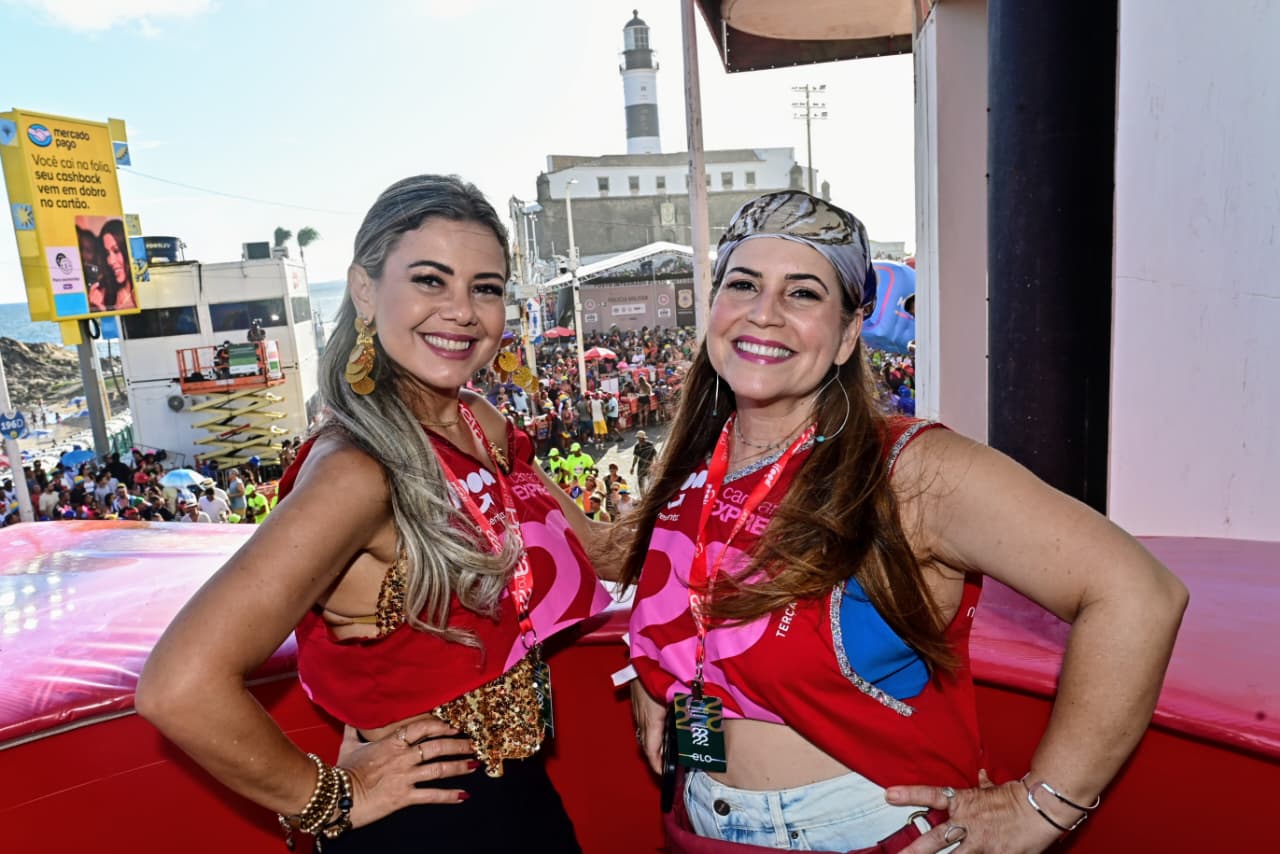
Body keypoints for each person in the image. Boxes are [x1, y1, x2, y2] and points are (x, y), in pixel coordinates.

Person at [620, 190, 1189, 852]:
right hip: (702, 820)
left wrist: (1042, 807)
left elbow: (1139, 593)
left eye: (802, 293)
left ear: (847, 335)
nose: (764, 312)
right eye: (743, 284)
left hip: (863, 830)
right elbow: (664, 573)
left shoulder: (911, 468)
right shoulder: (703, 460)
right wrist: (658, 667)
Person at [138, 174, 618, 853]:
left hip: (521, 796)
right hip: (426, 825)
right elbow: (178, 685)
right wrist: (335, 798)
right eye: (429, 280)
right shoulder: (355, 472)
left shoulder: (476, 422)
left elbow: (596, 546)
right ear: (364, 291)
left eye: (485, 288)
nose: (462, 311)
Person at [88, 219, 136, 312]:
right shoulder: (105, 294)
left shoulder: (141, 291)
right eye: (107, 254)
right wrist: (98, 308)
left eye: (116, 251)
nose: (110, 261)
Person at [630, 430, 656, 495]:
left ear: (643, 438)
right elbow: (636, 457)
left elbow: (655, 454)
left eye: (640, 438)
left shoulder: (650, 445)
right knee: (640, 483)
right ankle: (643, 496)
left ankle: (653, 494)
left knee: (651, 481)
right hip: (641, 466)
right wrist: (632, 467)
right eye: (638, 438)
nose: (639, 439)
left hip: (649, 465)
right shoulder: (637, 446)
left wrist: (656, 464)